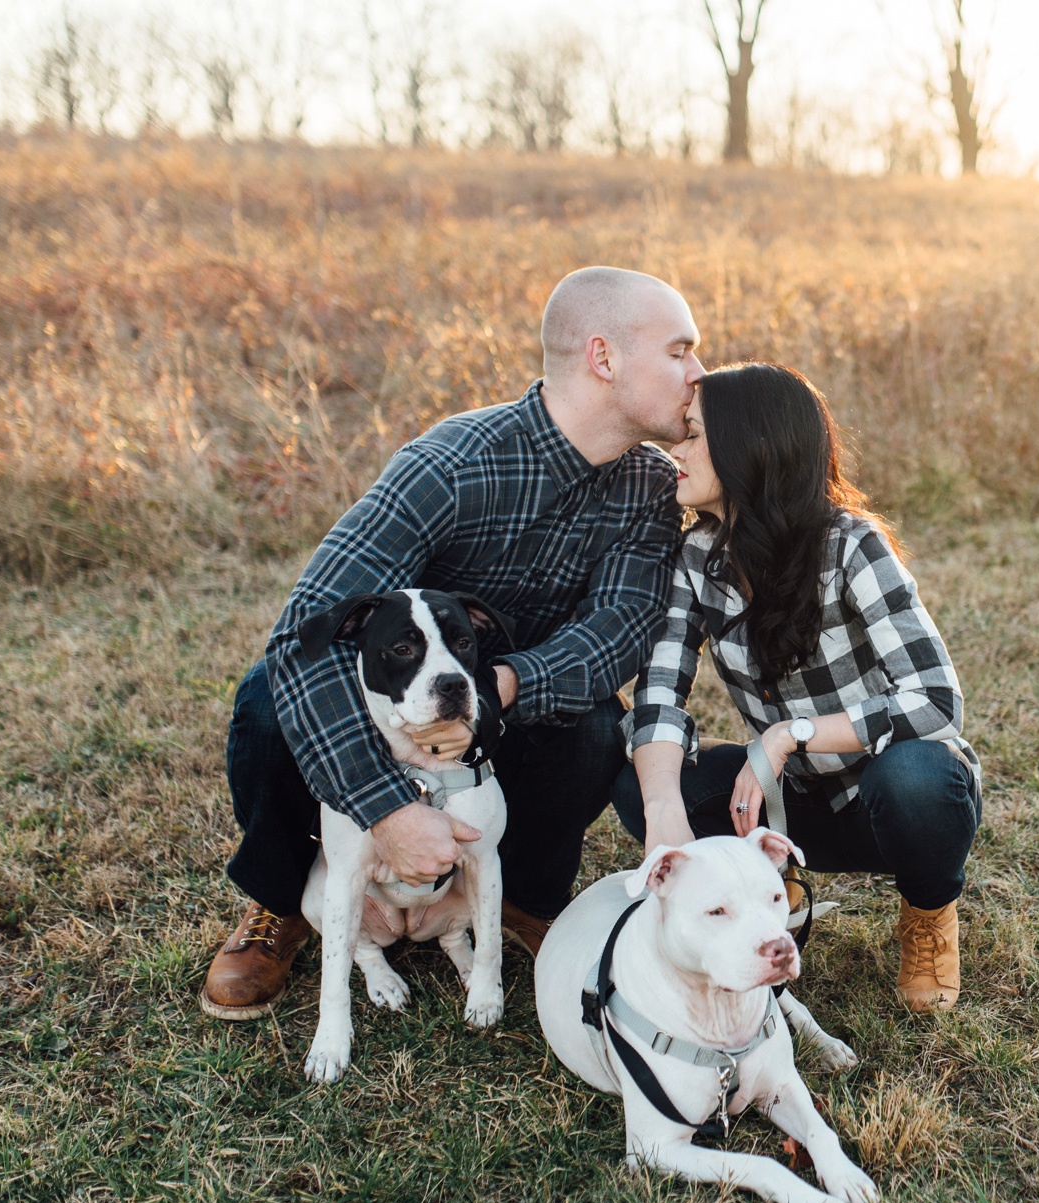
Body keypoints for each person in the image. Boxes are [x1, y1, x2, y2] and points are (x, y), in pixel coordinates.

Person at [201, 267, 702, 1021]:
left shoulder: (651, 489)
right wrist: (384, 809)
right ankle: (278, 902)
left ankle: (524, 900)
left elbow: (615, 633)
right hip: (397, 712)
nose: (699, 374)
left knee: (597, 720)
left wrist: (503, 684)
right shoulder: (452, 462)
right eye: (679, 351)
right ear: (603, 357)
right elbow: (309, 627)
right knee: (274, 693)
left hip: (508, 710)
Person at [612, 363, 982, 1014]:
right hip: (786, 808)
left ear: (748, 445)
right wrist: (664, 806)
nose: (677, 449)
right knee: (645, 782)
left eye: (695, 435)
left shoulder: (851, 544)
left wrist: (789, 734)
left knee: (921, 777)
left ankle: (928, 914)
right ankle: (761, 894)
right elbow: (660, 696)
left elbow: (935, 701)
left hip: (884, 798)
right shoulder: (697, 556)